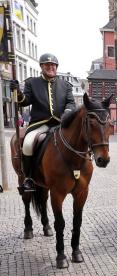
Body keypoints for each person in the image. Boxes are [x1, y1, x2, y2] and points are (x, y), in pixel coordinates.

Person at [10, 53, 75, 192]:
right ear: (42, 66)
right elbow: (24, 102)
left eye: (53, 65)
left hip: (60, 124)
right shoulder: (31, 83)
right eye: (47, 65)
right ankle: (29, 178)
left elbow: (71, 103)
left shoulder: (66, 85)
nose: (50, 67)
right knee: (27, 143)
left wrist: (67, 114)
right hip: (40, 124)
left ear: (56, 67)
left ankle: (77, 173)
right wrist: (17, 92)